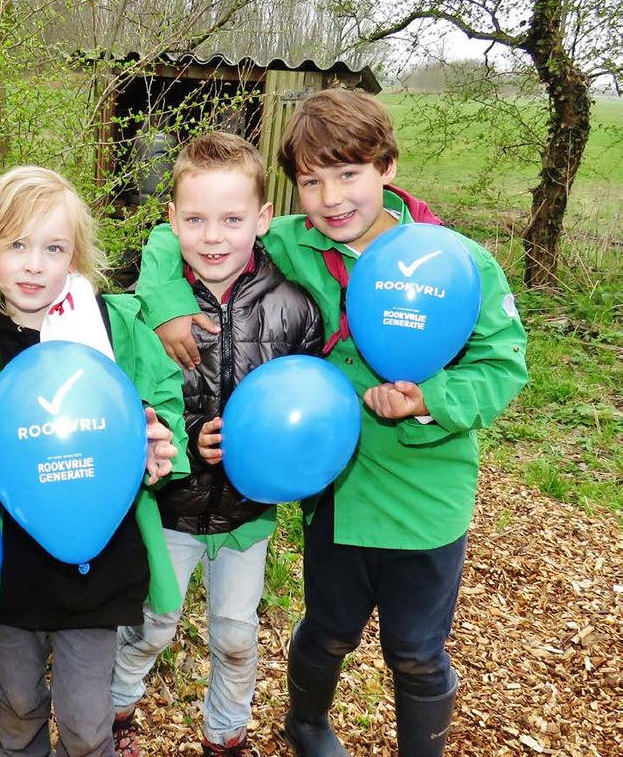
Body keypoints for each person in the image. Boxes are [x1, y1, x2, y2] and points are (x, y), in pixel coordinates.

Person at [134, 89, 529, 756]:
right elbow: (175, 233)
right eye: (312, 181)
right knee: (329, 627)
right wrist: (172, 305)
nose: (331, 198)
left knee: (416, 648)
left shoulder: (454, 263)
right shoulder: (289, 243)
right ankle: (307, 723)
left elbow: (502, 364)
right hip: (334, 487)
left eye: (349, 174)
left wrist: (430, 397)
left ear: (388, 168)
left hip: (426, 488)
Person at [0, 166, 189, 757]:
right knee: (20, 707)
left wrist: (161, 445)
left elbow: (163, 406)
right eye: (16, 246)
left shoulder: (112, 326)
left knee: (85, 723)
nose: (34, 265)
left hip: (96, 561)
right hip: (12, 564)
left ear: (74, 254)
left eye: (53, 248)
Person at [110, 132, 324, 757]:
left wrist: (275, 455)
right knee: (152, 625)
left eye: (232, 219)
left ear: (262, 219)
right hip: (171, 506)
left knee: (235, 631)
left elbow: (308, 406)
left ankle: (226, 734)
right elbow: (126, 407)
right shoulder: (145, 309)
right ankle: (114, 713)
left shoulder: (293, 309)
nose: (213, 237)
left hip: (247, 513)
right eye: (196, 219)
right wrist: (183, 440)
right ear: (171, 219)